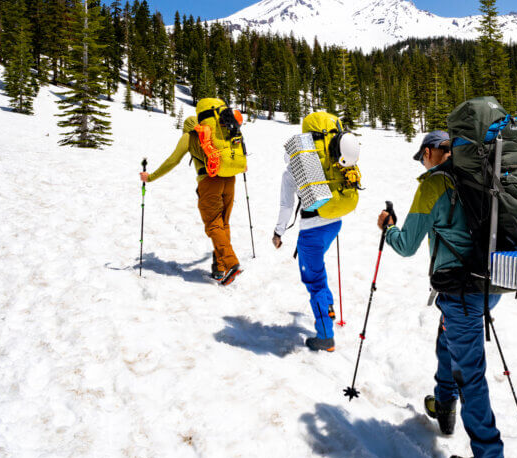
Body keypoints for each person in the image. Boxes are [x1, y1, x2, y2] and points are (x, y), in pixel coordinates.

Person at [377, 128, 507, 458]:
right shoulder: (481, 176)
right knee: (445, 340)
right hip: (490, 282)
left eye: (423, 155)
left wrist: (389, 229)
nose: (422, 161)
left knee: (471, 372)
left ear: (434, 151)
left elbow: (405, 245)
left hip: (462, 289)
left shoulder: (433, 186)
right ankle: (445, 406)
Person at [140, 97, 247, 286]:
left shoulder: (190, 135)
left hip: (209, 181)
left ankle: (231, 264)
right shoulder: (216, 133)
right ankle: (220, 269)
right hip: (229, 178)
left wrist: (150, 177)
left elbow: (172, 161)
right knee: (223, 224)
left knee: (213, 224)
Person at [273, 125, 361, 352]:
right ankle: (327, 310)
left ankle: (325, 335)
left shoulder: (291, 170)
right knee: (318, 271)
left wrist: (278, 232)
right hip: (333, 223)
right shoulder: (323, 160)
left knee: (315, 281)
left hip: (311, 230)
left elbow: (286, 205)